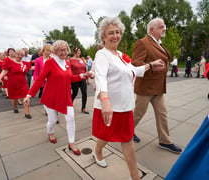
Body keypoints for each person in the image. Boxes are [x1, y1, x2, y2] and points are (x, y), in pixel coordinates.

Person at [92, 17, 165, 180]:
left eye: (118, 32)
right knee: (112, 135)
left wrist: (151, 65)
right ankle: (100, 155)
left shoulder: (119, 55)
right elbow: (100, 77)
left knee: (123, 138)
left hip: (124, 106)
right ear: (103, 36)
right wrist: (105, 99)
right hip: (109, 105)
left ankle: (131, 175)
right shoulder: (102, 54)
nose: (115, 36)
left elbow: (134, 71)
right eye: (111, 33)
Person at [23, 40, 88, 155]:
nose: (63, 52)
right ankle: (50, 132)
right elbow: (40, 79)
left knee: (71, 118)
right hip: (51, 97)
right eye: (60, 50)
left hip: (65, 96)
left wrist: (83, 75)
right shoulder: (50, 63)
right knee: (52, 120)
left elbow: (70, 78)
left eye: (65, 50)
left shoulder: (67, 63)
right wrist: (29, 95)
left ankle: (71, 142)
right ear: (55, 51)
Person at [132, 17, 182, 154]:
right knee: (138, 113)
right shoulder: (142, 43)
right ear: (151, 29)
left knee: (162, 113)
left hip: (158, 88)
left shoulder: (159, 43)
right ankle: (127, 132)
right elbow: (135, 64)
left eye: (164, 26)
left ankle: (165, 141)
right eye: (161, 26)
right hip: (146, 88)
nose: (164, 28)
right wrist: (151, 66)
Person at [0, 49, 33, 119]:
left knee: (26, 97)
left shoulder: (25, 63)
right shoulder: (10, 63)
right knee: (14, 98)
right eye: (18, 54)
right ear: (15, 54)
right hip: (12, 83)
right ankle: (15, 107)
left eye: (21, 55)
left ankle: (27, 113)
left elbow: (32, 68)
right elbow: (4, 71)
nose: (19, 56)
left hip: (23, 83)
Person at [69, 47, 89, 114]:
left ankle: (83, 107)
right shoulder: (70, 60)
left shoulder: (82, 60)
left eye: (79, 51)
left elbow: (85, 69)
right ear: (74, 52)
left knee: (84, 93)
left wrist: (87, 79)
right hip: (75, 79)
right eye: (77, 51)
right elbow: (69, 71)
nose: (78, 52)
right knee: (75, 93)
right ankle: (69, 105)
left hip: (82, 79)